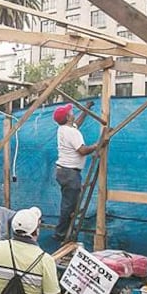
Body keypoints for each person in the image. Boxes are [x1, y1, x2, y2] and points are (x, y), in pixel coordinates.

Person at [52, 103, 101, 244]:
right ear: (68, 117)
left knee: (70, 204)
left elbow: (76, 124)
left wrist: (86, 111)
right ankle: (61, 234)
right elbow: (82, 150)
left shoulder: (63, 129)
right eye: (71, 112)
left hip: (64, 171)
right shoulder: (71, 133)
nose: (73, 113)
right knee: (69, 206)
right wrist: (96, 146)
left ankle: (65, 232)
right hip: (69, 173)